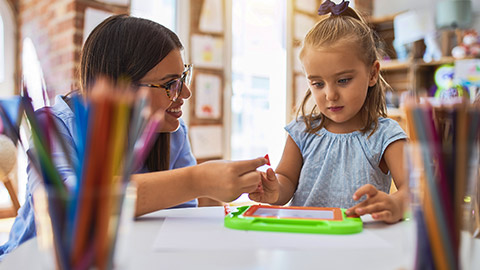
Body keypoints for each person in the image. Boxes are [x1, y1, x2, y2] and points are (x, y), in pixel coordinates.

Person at [0, 14, 267, 259]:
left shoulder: (172, 132)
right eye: (170, 84)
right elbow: (68, 207)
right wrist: (198, 180)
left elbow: (177, 219)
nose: (185, 93)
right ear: (120, 87)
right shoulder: (55, 125)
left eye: (184, 77)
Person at [249, 1, 408, 224]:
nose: (330, 95)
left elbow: (415, 190)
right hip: (307, 243)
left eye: (343, 80)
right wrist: (274, 190)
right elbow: (286, 180)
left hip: (361, 246)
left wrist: (397, 203)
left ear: (372, 74)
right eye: (318, 83)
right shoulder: (301, 131)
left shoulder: (386, 135)